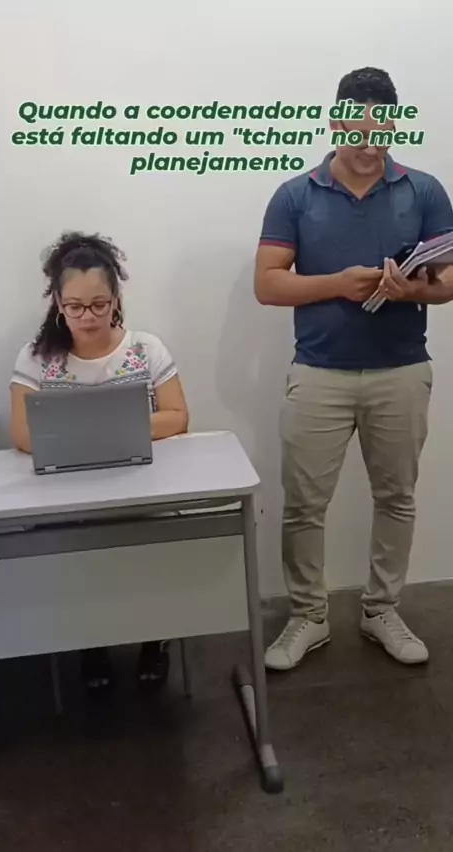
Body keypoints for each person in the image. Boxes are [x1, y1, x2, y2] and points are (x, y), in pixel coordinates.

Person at [255, 67, 453, 670]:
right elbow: (268, 285)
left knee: (397, 497)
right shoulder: (295, 195)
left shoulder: (424, 191)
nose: (370, 146)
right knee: (303, 505)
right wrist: (338, 284)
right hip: (318, 372)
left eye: (381, 133)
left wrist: (411, 290)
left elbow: (448, 282)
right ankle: (308, 616)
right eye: (358, 132)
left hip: (401, 370)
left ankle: (381, 609)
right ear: (336, 123)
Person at [10, 230, 189, 692]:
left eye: (98, 305)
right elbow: (23, 433)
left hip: (141, 490)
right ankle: (92, 643)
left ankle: (155, 638)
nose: (87, 317)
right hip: (65, 496)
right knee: (71, 552)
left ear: (116, 301)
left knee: (155, 547)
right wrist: (108, 432)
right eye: (74, 307)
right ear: (58, 303)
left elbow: (178, 416)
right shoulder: (37, 358)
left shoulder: (145, 349)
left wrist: (93, 432)